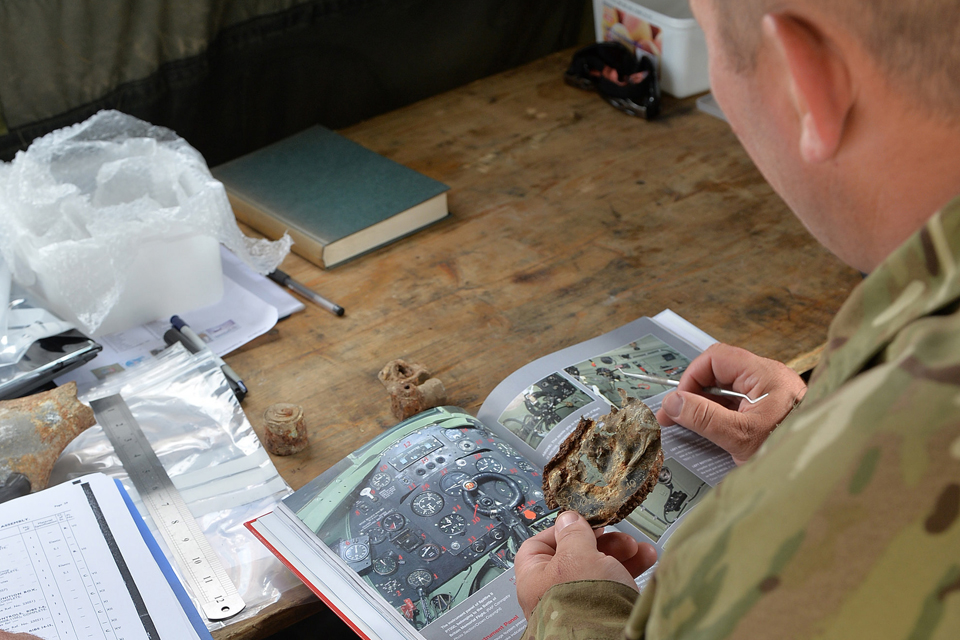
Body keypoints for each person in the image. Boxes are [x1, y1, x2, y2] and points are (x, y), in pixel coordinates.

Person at [515, 0, 960, 637]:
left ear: (810, 79)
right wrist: (813, 436)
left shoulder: (748, 579)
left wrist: (574, 613)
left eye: (713, 46)